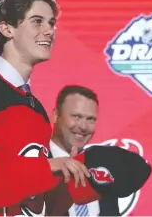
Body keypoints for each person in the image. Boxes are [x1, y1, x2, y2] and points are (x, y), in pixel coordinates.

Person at [0, 0, 152, 216]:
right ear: (7, 29)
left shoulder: (35, 110)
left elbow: (32, 204)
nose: (49, 30)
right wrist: (50, 166)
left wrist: (81, 181)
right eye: (37, 21)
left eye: (51, 23)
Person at [51, 85, 120, 216]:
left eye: (90, 119)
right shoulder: (35, 160)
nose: (83, 126)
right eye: (76, 116)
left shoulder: (102, 171)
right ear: (56, 115)